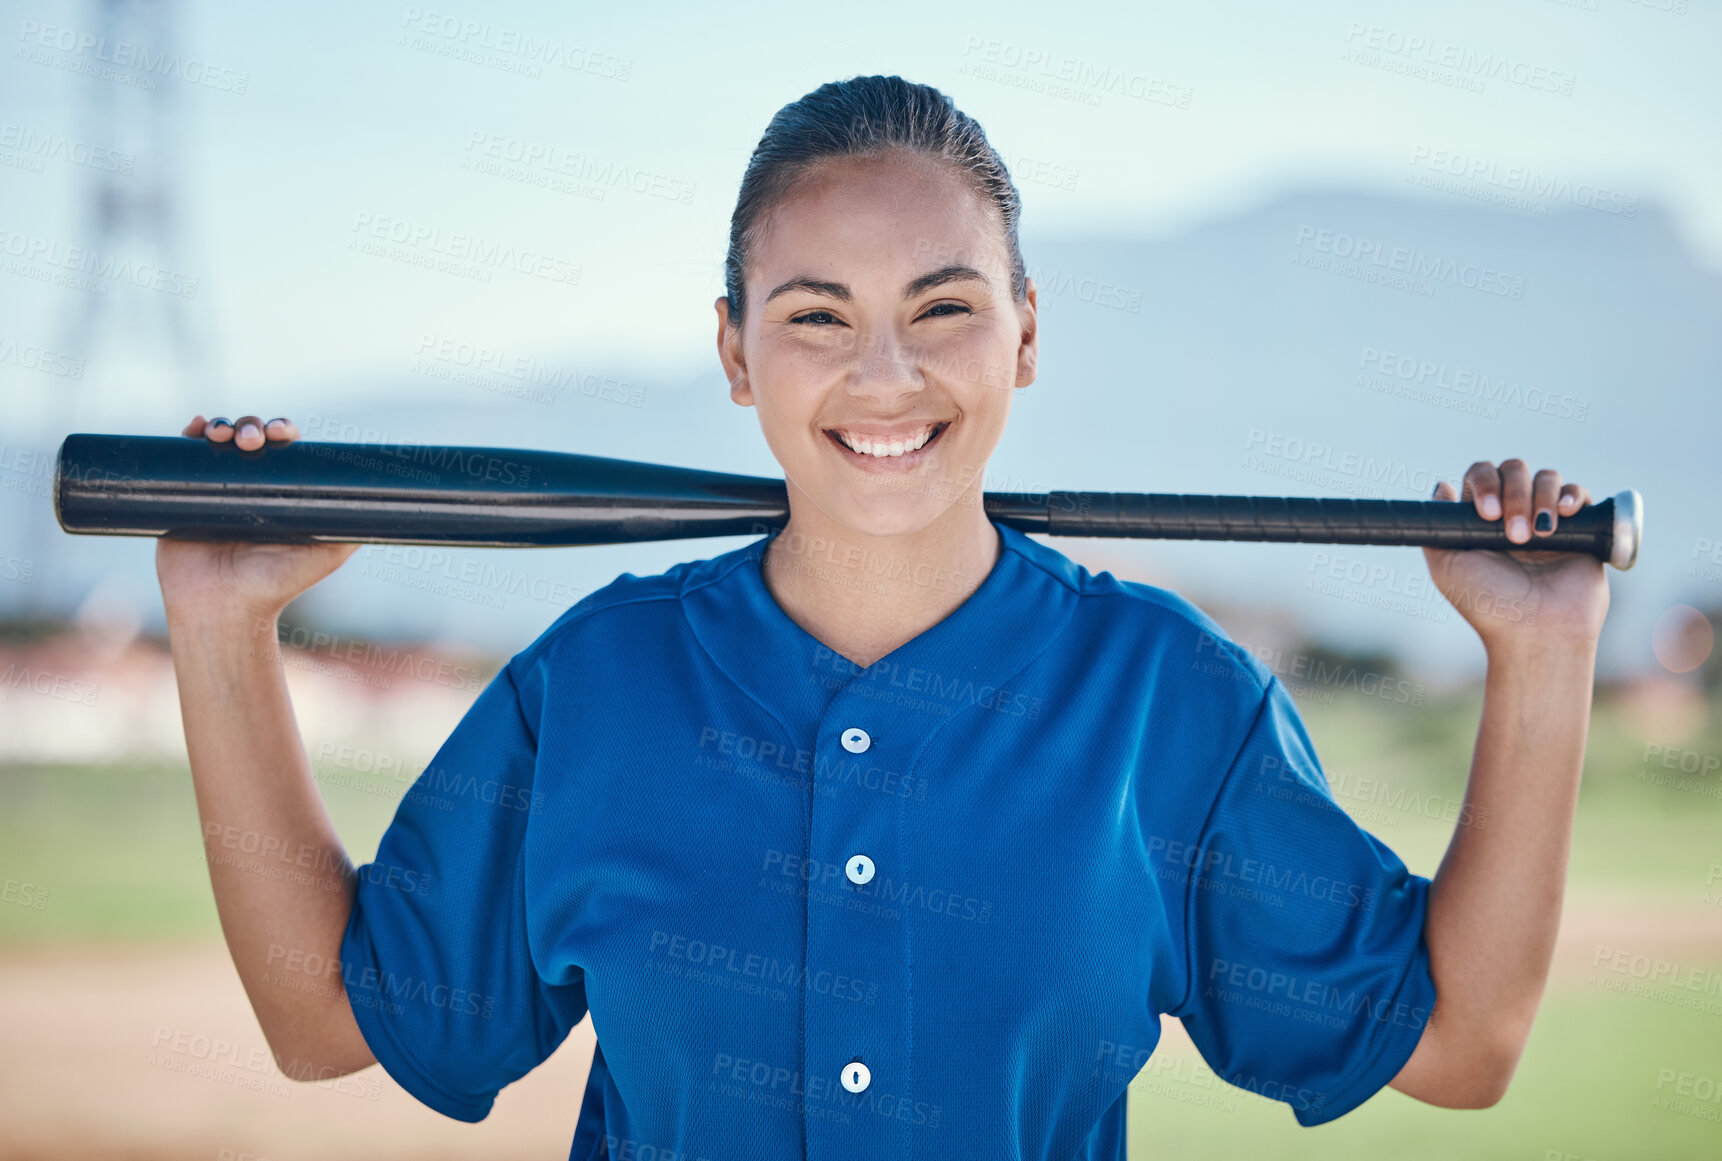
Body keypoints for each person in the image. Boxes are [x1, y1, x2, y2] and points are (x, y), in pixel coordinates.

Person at [155, 76, 1611, 1160]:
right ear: (734, 349)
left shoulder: (1165, 703)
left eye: (941, 307)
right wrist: (224, 629)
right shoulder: (597, 684)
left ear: (1026, 331)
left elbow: (1457, 1045)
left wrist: (1540, 654)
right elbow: (327, 1020)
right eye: (813, 315)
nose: (884, 373)